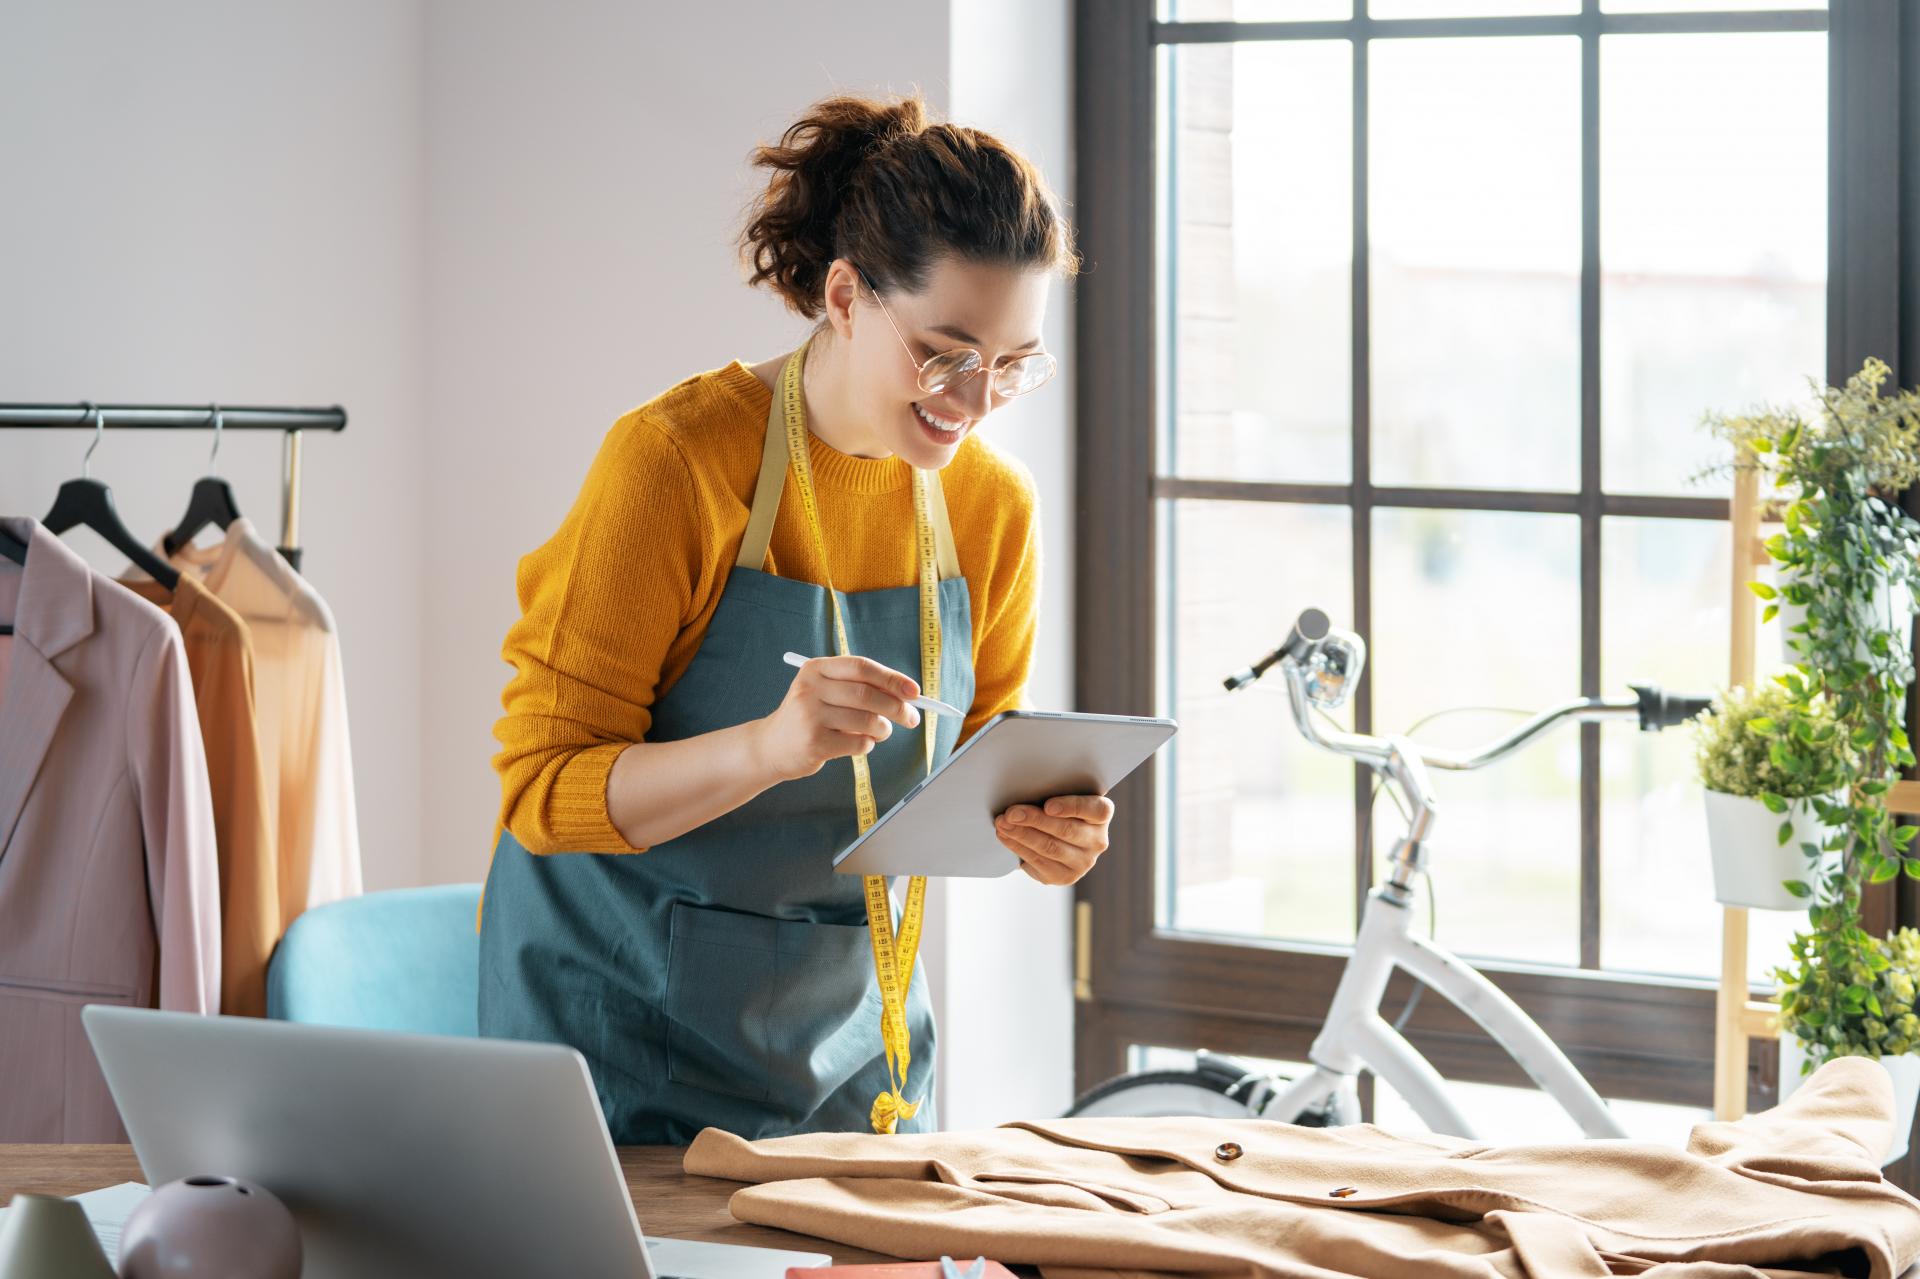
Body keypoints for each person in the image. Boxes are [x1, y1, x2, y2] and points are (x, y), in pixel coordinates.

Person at [477, 93, 1113, 1145]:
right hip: (615, 1054)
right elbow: (543, 791)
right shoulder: (675, 466)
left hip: (856, 1062)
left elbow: (983, 753)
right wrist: (770, 747)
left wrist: (1038, 826)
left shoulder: (992, 507)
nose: (978, 398)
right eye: (945, 352)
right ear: (847, 294)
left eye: (1012, 363)